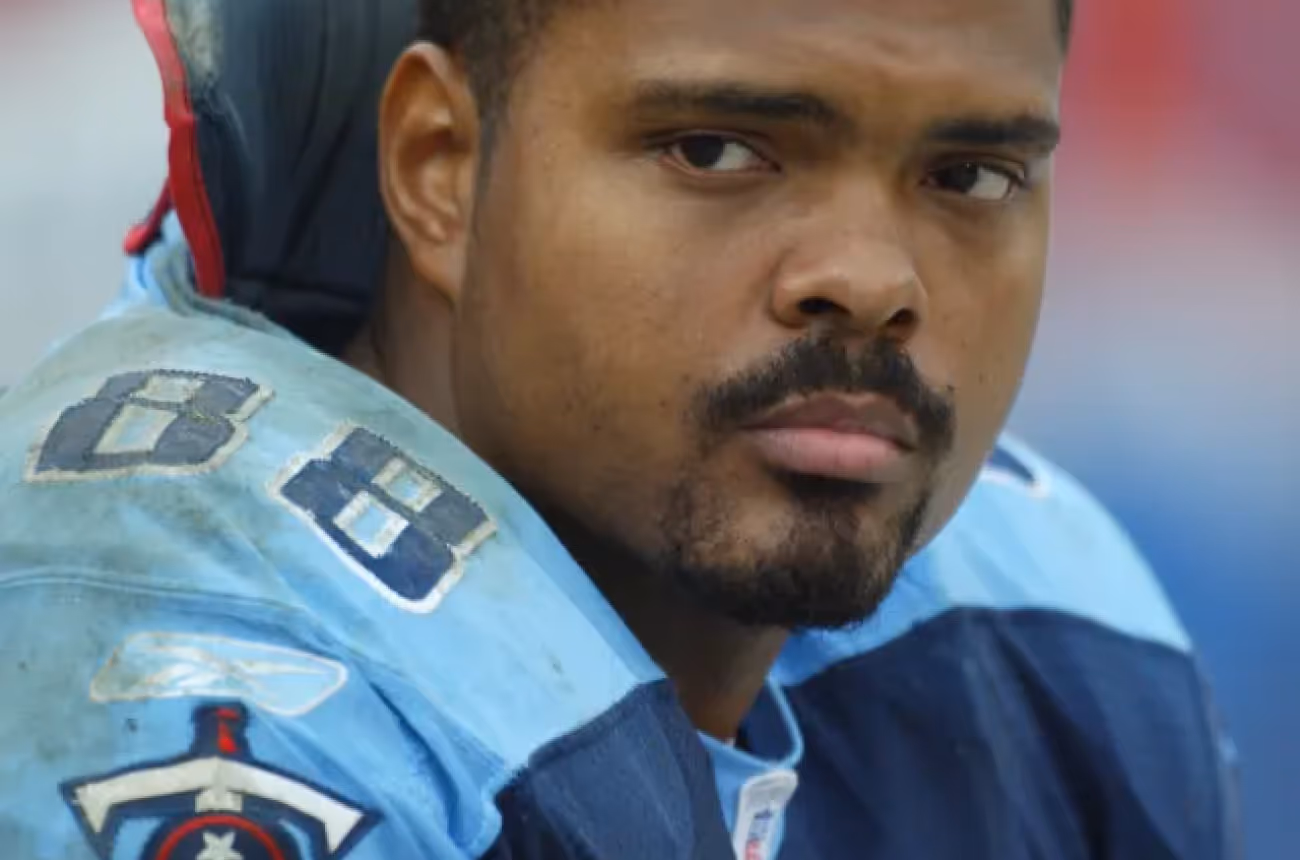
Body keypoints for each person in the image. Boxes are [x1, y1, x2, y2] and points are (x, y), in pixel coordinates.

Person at [0, 0, 1240, 857]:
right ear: (441, 165)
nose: (871, 280)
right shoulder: (193, 652)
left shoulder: (1050, 629)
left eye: (969, 175)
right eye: (716, 149)